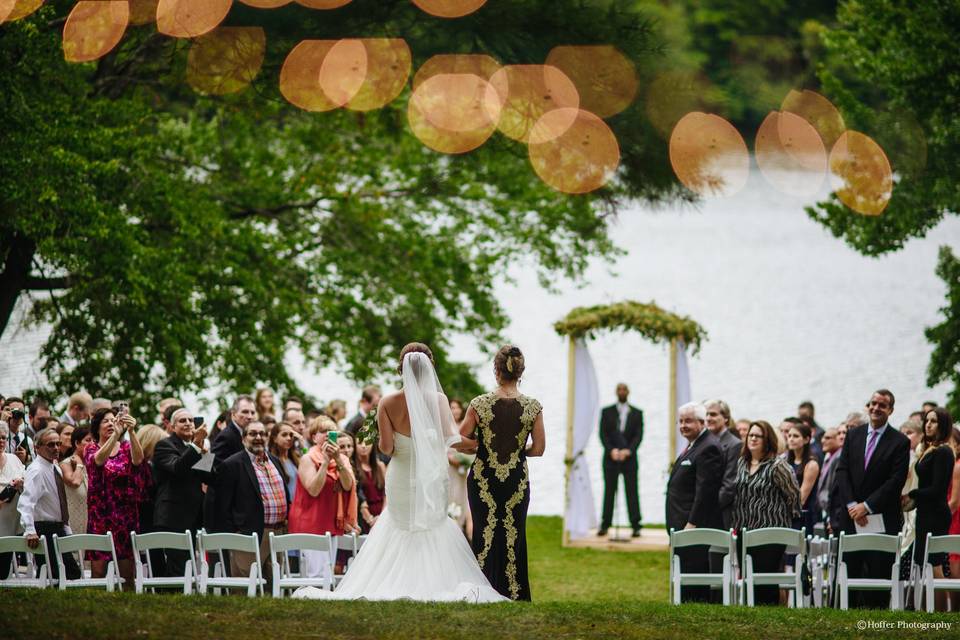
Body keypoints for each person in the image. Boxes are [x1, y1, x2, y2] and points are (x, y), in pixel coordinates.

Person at [294, 343, 508, 602]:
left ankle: (391, 582)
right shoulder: (438, 400)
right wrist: (483, 445)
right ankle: (430, 583)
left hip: (400, 475)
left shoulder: (387, 402)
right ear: (429, 367)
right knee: (430, 525)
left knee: (401, 525)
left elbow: (386, 447)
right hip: (430, 477)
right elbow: (454, 440)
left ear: (400, 367)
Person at [834, 389, 910, 607]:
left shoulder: (899, 442)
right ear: (868, 406)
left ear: (891, 410)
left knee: (879, 572)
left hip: (881, 517)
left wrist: (866, 506)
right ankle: (846, 614)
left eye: (882, 405)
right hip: (851, 516)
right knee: (850, 570)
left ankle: (877, 617)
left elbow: (895, 481)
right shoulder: (853, 435)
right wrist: (852, 506)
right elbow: (842, 471)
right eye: (873, 403)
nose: (876, 408)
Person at [732, 420, 801, 605]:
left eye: (758, 436)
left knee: (766, 579)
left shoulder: (777, 465)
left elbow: (794, 496)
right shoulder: (741, 463)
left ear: (767, 439)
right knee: (747, 576)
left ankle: (769, 613)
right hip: (743, 530)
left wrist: (778, 516)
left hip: (770, 532)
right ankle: (750, 611)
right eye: (751, 435)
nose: (753, 439)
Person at [212, 421, 289, 580]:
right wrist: (235, 534)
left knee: (273, 585)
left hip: (278, 533)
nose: (258, 437)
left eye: (262, 434)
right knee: (246, 585)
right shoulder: (232, 464)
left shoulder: (274, 461)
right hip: (249, 534)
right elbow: (222, 505)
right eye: (253, 434)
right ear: (243, 438)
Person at [84, 406, 150, 588]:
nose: (110, 424)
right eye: (106, 421)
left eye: (113, 420)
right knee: (98, 570)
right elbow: (98, 460)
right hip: (101, 515)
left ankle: (128, 604)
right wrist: (115, 436)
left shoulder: (127, 447)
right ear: (97, 427)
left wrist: (131, 430)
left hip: (125, 514)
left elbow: (138, 460)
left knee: (127, 572)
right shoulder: (90, 448)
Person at [665, 402, 723, 602]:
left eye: (688, 421)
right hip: (681, 522)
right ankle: (686, 605)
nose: (683, 425)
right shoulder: (693, 445)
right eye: (680, 421)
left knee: (694, 572)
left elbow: (705, 491)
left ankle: (696, 608)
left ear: (701, 422)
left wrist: (692, 523)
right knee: (684, 570)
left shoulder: (709, 448)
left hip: (694, 525)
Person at [288, 416, 357, 580]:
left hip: (331, 521)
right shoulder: (307, 458)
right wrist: (325, 463)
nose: (327, 434)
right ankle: (312, 600)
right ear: (314, 437)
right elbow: (313, 489)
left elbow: (348, 485)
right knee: (317, 573)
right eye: (323, 431)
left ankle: (324, 600)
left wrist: (338, 459)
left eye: (331, 431)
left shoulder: (343, 458)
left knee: (328, 570)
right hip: (311, 521)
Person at [151, 408, 213, 577]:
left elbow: (210, 478)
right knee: (178, 565)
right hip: (173, 516)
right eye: (182, 420)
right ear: (171, 426)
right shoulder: (165, 445)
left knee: (190, 562)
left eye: (190, 420)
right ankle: (174, 598)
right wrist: (195, 446)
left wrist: (205, 453)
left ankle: (187, 596)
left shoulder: (197, 447)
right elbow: (178, 468)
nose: (188, 423)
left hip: (194, 516)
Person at [906, 408, 955, 611]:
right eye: (927, 420)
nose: (928, 424)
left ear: (942, 425)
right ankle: (925, 609)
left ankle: (942, 612)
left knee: (934, 565)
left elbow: (937, 489)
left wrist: (913, 495)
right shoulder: (929, 448)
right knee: (922, 562)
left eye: (933, 421)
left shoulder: (943, 451)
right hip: (925, 512)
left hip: (935, 514)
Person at [17, 428, 81, 581]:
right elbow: (26, 502)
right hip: (44, 529)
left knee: (70, 573)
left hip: (58, 528)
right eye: (50, 445)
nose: (56, 448)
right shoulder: (37, 470)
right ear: (37, 448)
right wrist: (30, 530)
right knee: (53, 574)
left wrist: (66, 528)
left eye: (58, 444)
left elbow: (58, 502)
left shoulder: (54, 467)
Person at [597, 383, 643, 537]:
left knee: (632, 492)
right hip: (611, 458)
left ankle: (636, 524)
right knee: (609, 491)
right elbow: (603, 434)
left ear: (628, 392)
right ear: (616, 392)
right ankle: (605, 524)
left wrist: (629, 450)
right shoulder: (606, 412)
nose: (622, 392)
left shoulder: (637, 413)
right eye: (619, 389)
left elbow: (638, 435)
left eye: (624, 389)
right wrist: (611, 450)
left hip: (629, 459)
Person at [705, 399, 740, 530]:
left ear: (725, 418)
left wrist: (708, 508)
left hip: (721, 514)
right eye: (706, 414)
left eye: (713, 414)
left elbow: (729, 485)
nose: (708, 418)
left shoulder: (734, 444)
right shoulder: (704, 443)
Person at [0, 421, 26, 578]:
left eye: (3, 437)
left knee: (3, 571)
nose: (1, 441)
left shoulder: (13, 459)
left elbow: (26, 481)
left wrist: (20, 484)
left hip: (11, 525)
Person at [785, 422, 820, 534]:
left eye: (796, 436)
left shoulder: (811, 464)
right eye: (789, 436)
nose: (791, 439)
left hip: (802, 516)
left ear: (806, 439)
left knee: (799, 551)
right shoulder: (785, 462)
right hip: (786, 515)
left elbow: (802, 498)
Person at [447, 397, 474, 539]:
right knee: (450, 497)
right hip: (449, 470)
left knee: (463, 500)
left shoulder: (465, 428)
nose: (455, 410)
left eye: (457, 407)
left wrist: (465, 462)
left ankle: (464, 533)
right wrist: (450, 459)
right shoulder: (446, 427)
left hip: (462, 472)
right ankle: (452, 530)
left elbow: (471, 448)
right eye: (452, 407)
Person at [60, 426, 92, 534]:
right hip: (74, 520)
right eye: (88, 440)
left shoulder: (93, 464)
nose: (92, 444)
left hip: (92, 521)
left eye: (94, 440)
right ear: (77, 443)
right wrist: (79, 464)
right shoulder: (66, 464)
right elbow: (75, 482)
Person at [354, 435, 386, 534]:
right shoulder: (355, 467)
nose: (364, 446)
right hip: (365, 516)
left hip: (382, 513)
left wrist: (383, 516)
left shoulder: (380, 466)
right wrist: (370, 519)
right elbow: (358, 495)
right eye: (360, 443)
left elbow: (387, 493)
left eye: (367, 443)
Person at [268, 421, 301, 504]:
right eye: (284, 435)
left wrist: (302, 444)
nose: (289, 438)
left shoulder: (295, 458)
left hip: (298, 506)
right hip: (284, 506)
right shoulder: (270, 461)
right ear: (274, 438)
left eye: (291, 435)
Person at [816, 427, 843, 528]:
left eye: (828, 438)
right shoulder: (828, 456)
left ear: (838, 439)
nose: (823, 440)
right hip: (826, 511)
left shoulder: (839, 458)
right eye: (823, 437)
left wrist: (831, 516)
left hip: (833, 512)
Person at [2, 398, 33, 464]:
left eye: (21, 411)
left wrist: (26, 458)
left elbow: (35, 463)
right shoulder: (2, 437)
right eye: (13, 410)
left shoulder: (28, 440)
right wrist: (2, 422)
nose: (18, 413)